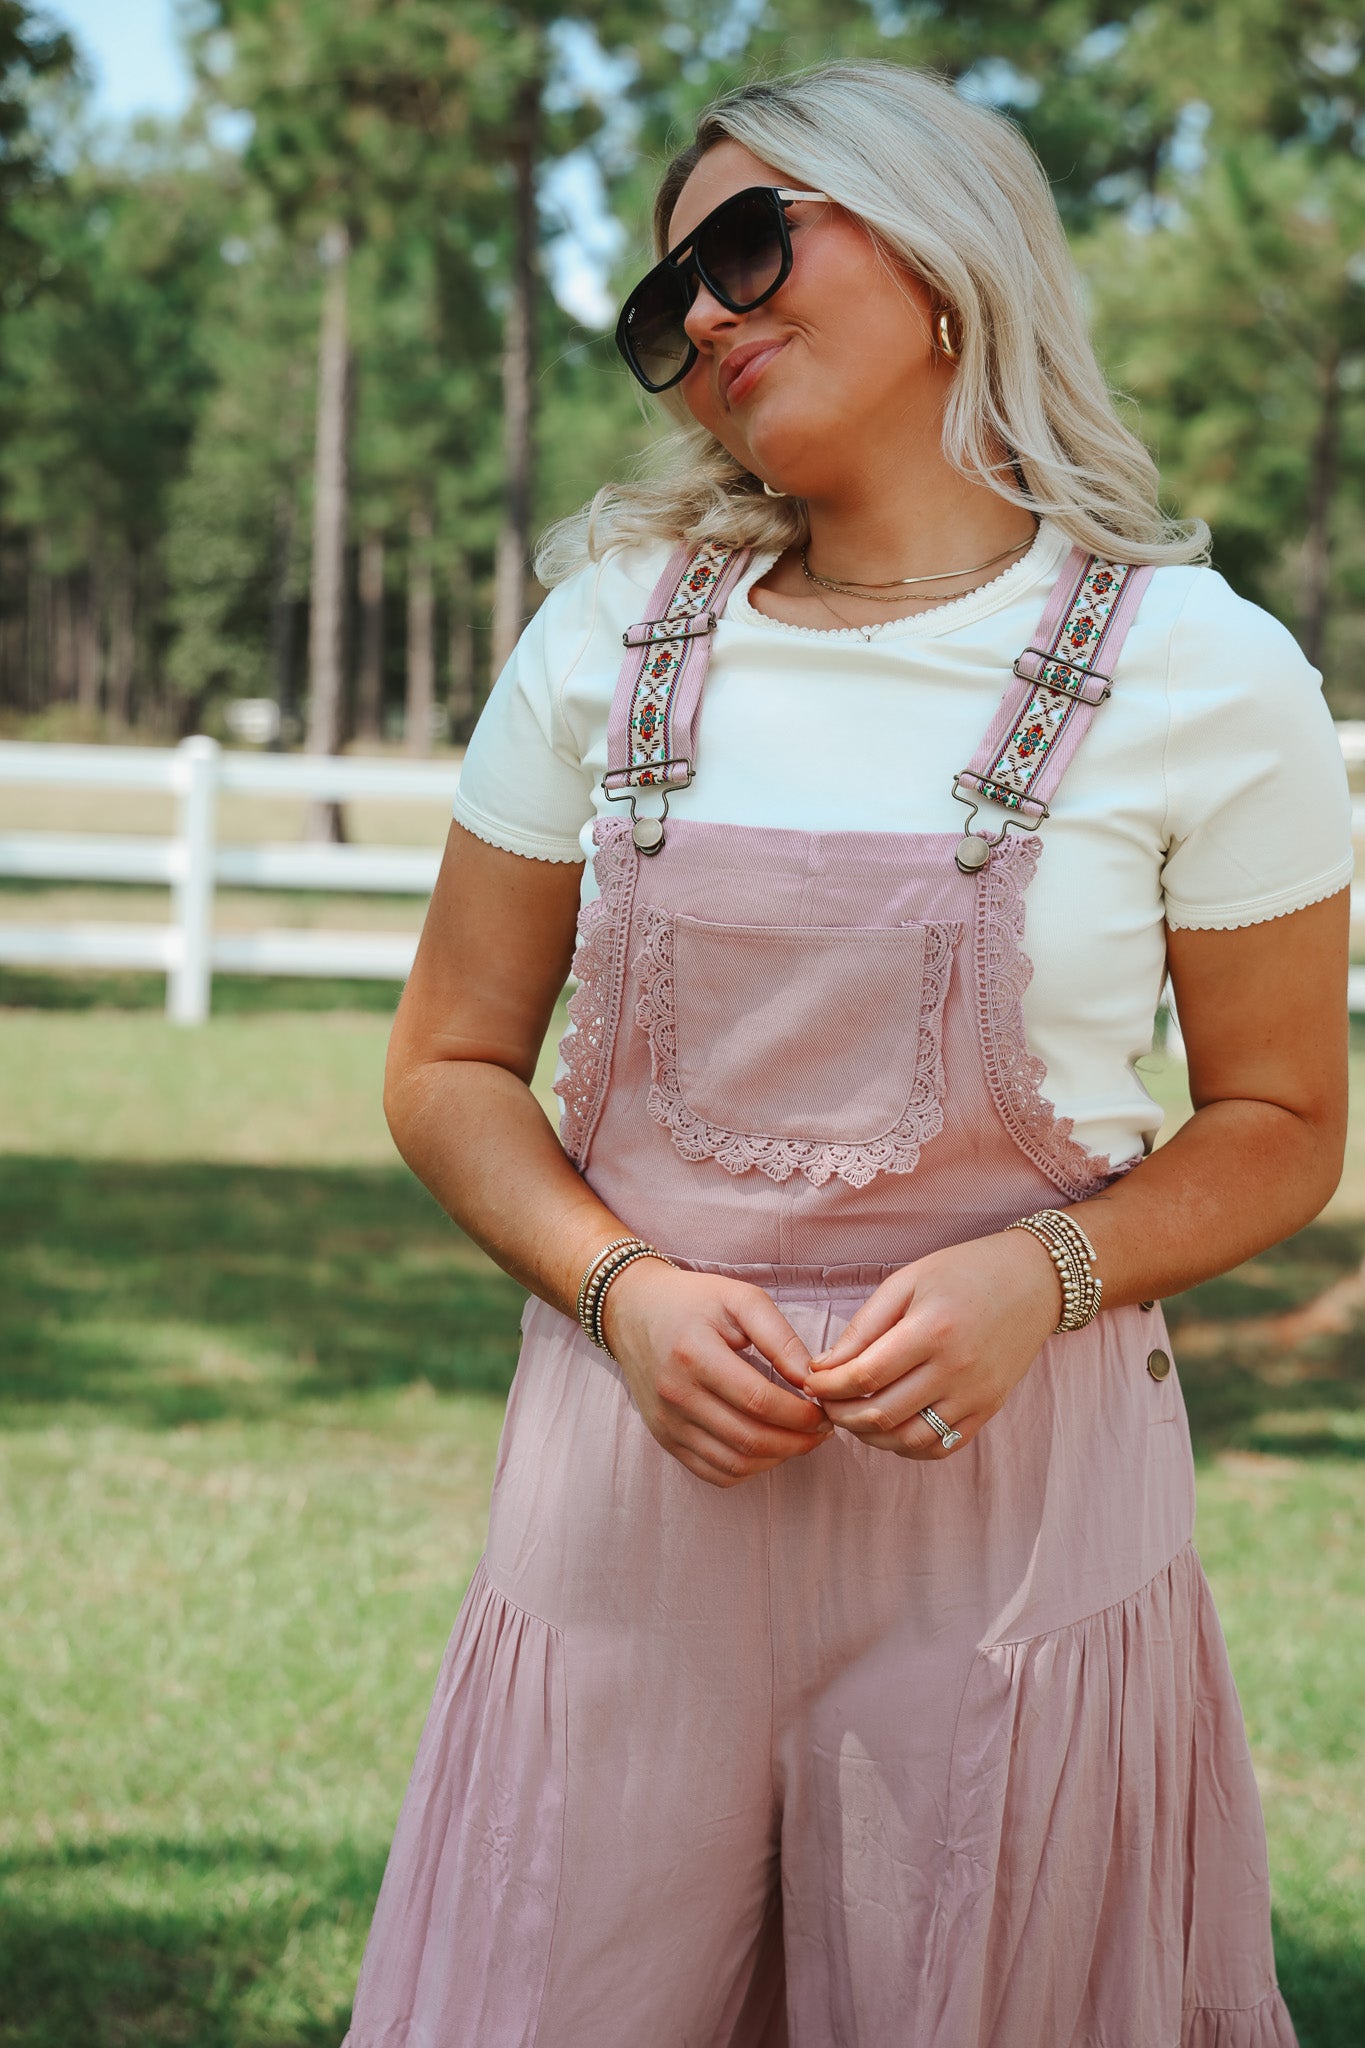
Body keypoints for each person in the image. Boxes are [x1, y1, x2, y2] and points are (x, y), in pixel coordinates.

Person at [342, 61, 1349, 2048]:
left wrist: (1040, 1271)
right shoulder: (600, 639)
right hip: (622, 1517)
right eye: (663, 303)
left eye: (743, 248)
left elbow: (1282, 1120)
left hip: (1016, 1533)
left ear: (943, 247)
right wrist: (618, 1290)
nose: (700, 321)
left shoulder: (1199, 670)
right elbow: (444, 1061)